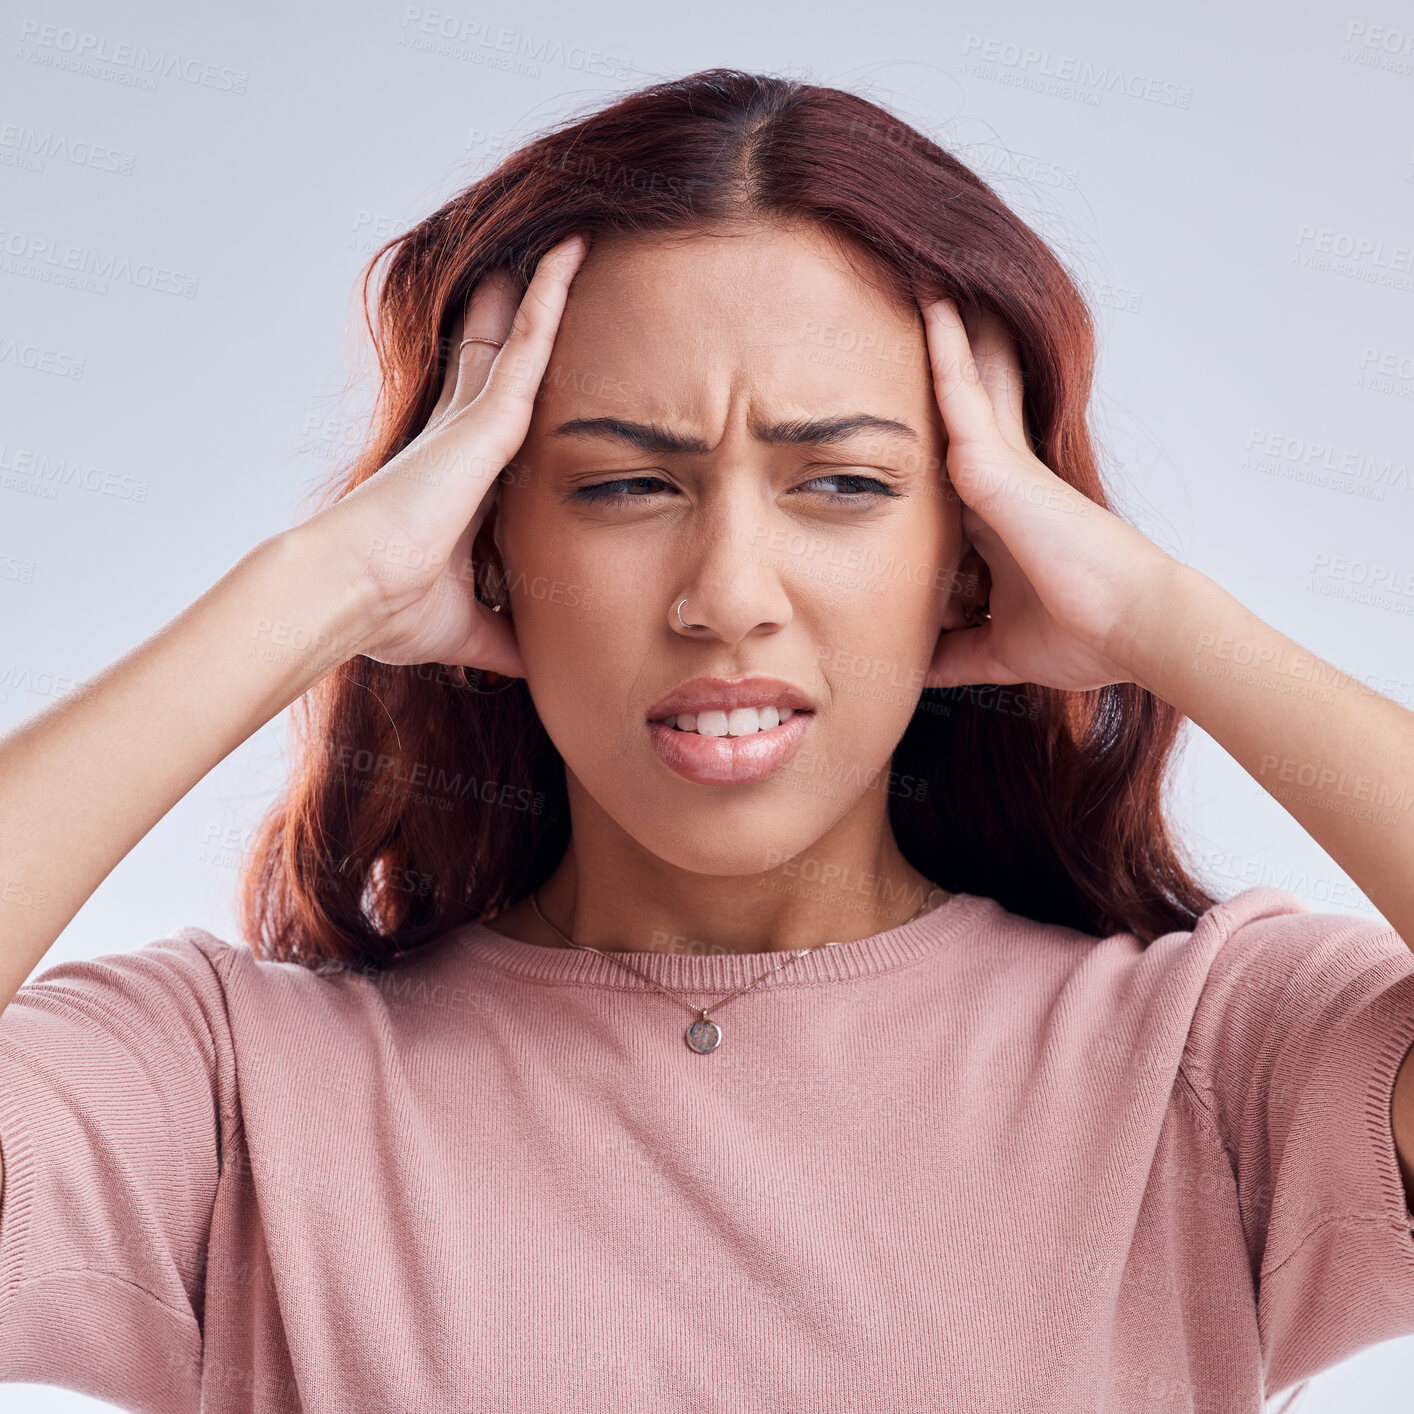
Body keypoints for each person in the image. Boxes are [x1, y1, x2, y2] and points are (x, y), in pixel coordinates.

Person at [2, 67, 1413, 1413]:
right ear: (483, 539)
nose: (727, 595)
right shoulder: (229, 1095)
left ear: (976, 550)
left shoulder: (1212, 1062)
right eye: (623, 483)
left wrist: (1160, 615)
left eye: (844, 482)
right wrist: (316, 589)